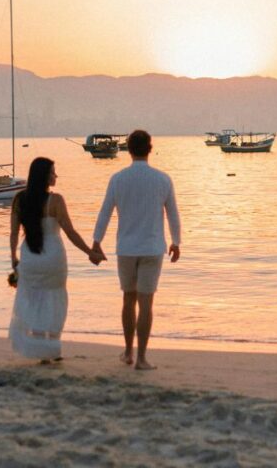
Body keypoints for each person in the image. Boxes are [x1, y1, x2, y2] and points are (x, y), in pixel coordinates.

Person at [92, 129, 181, 370]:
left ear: (128, 149)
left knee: (128, 299)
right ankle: (141, 358)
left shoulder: (118, 178)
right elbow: (173, 213)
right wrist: (176, 241)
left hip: (127, 248)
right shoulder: (163, 179)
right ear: (149, 148)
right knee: (146, 303)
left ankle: (129, 352)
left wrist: (96, 241)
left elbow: (105, 212)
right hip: (152, 248)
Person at [9, 157, 98, 362]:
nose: (55, 176)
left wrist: (13, 258)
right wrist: (89, 252)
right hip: (53, 258)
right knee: (55, 300)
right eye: (52, 172)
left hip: (30, 257)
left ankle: (39, 348)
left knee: (34, 301)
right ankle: (52, 348)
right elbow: (70, 232)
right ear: (44, 177)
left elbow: (14, 234)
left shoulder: (19, 199)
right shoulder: (56, 200)